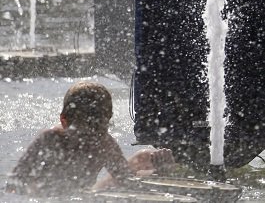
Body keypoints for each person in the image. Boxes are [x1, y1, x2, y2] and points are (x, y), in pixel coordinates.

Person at [9, 81, 174, 196]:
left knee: (144, 157)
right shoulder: (50, 139)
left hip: (87, 196)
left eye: (100, 131)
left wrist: (156, 175)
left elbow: (125, 182)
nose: (90, 141)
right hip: (44, 198)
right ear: (64, 122)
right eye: (83, 135)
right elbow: (14, 183)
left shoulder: (105, 143)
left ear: (108, 120)